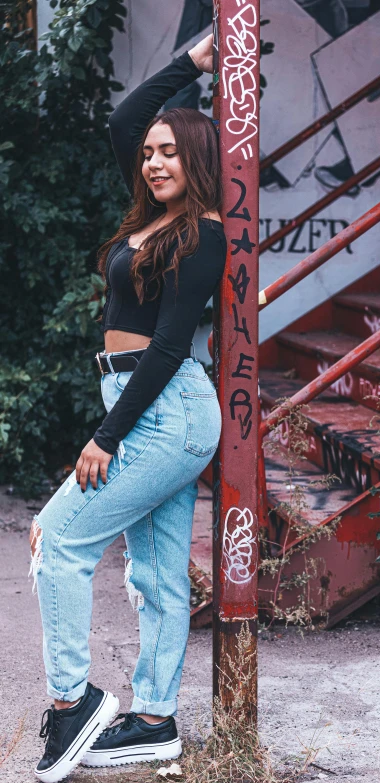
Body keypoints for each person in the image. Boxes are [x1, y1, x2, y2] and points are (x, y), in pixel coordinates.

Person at [28, 33, 224, 782]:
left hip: (165, 407)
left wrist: (107, 436)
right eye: (151, 153)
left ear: (197, 160)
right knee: (157, 577)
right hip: (142, 397)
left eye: (171, 151)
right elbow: (122, 124)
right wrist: (192, 64)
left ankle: (72, 704)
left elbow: (172, 344)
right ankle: (154, 720)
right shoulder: (150, 216)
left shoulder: (202, 234)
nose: (154, 161)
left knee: (57, 539)